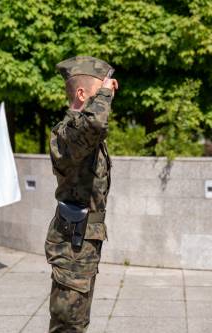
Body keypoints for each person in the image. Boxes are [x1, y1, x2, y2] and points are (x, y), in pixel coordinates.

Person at [45, 56, 118, 332]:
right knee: (68, 326)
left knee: (77, 322)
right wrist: (106, 93)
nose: (108, 94)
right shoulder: (68, 134)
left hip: (83, 244)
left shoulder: (82, 135)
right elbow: (95, 124)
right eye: (98, 90)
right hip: (73, 245)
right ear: (81, 94)